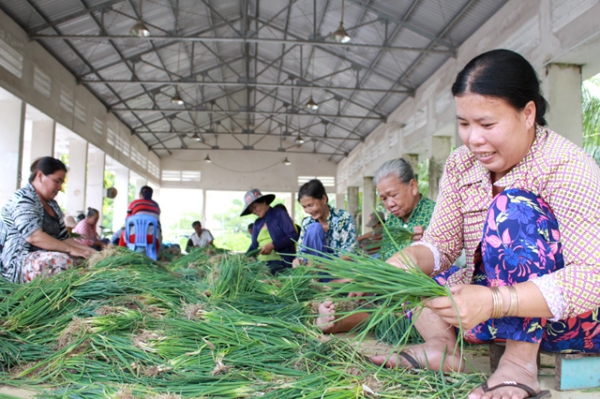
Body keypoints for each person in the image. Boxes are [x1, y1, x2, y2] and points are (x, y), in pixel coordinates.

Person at [371, 49, 600, 399]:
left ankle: (519, 364)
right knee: (411, 269)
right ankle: (441, 346)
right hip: (480, 314)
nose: (473, 139)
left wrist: (495, 301)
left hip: (563, 322)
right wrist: (408, 262)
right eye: (464, 123)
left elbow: (591, 278)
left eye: (487, 124)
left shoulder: (565, 165)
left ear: (527, 114)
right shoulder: (462, 164)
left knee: (513, 207)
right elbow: (442, 244)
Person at [317, 158, 436, 333]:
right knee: (355, 290)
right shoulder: (391, 223)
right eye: (384, 199)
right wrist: (366, 280)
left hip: (419, 291)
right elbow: (382, 260)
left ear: (413, 186)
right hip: (386, 288)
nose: (389, 204)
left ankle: (338, 324)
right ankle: (335, 313)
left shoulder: (436, 215)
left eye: (393, 195)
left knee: (394, 313)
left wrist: (431, 240)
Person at [0, 157, 95, 283]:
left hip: (47, 254)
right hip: (19, 262)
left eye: (61, 183)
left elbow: (64, 238)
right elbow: (33, 236)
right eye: (57, 181)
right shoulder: (23, 198)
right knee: (59, 262)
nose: (60, 187)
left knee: (85, 260)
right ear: (40, 176)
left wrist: (92, 252)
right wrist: (71, 249)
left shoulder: (53, 205)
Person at [292, 179, 357, 275]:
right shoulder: (307, 223)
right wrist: (298, 261)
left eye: (311, 205)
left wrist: (323, 266)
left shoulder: (343, 218)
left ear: (323, 199)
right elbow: (302, 253)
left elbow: (349, 253)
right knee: (314, 228)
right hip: (315, 274)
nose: (308, 210)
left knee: (314, 228)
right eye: (304, 207)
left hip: (339, 272)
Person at [241, 189, 298, 274]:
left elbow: (293, 236)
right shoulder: (257, 224)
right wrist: (242, 258)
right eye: (251, 210)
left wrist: (273, 245)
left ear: (264, 201)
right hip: (260, 264)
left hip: (279, 263)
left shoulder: (279, 214)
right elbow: (254, 246)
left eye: (255, 207)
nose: (254, 211)